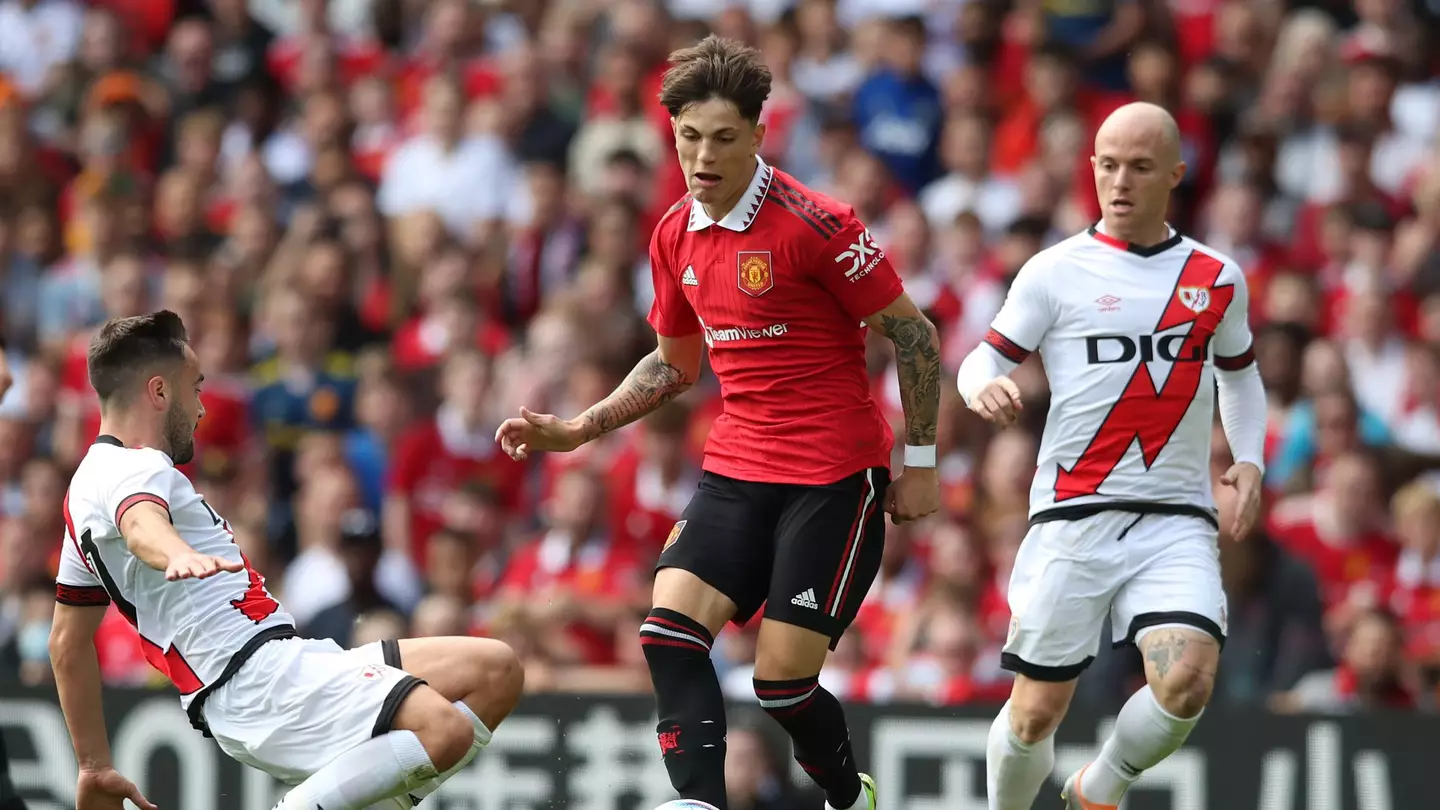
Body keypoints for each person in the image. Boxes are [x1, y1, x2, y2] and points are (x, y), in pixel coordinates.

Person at [496, 35, 942, 810]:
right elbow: (674, 363)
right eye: (688, 138)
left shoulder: (818, 226)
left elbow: (915, 334)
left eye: (723, 139)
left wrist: (924, 462)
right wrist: (578, 428)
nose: (703, 157)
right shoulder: (673, 233)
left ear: (759, 136)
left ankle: (850, 797)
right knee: (666, 636)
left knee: (782, 687)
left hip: (834, 478)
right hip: (737, 466)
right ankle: (700, 805)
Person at [48, 311, 524, 810]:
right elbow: (142, 522)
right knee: (441, 728)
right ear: (159, 392)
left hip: (284, 665)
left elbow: (66, 644)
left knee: (496, 671)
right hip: (254, 680)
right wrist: (176, 552)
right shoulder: (133, 468)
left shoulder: (83, 494)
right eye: (197, 388)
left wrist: (93, 764)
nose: (202, 408)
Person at [956, 102, 1267, 810]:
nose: (1120, 181)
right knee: (1036, 712)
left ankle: (1101, 788)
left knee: (1186, 680)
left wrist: (1249, 459)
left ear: (1175, 176)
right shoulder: (1055, 272)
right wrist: (985, 387)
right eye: (1107, 165)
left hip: (1175, 515)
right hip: (1073, 514)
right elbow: (980, 359)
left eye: (1139, 167)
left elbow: (1240, 372)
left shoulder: (1217, 277)